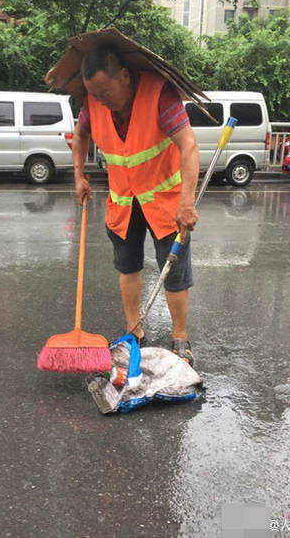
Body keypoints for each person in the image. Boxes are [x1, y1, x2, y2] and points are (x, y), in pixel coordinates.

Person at [72, 45, 199, 366]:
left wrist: (187, 202)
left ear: (125, 76)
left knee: (173, 272)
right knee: (127, 266)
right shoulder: (93, 103)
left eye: (104, 91)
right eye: (93, 94)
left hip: (164, 201)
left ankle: (180, 339)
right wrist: (78, 175)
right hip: (123, 200)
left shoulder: (159, 94)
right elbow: (81, 133)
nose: (100, 99)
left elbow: (189, 145)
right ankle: (134, 331)